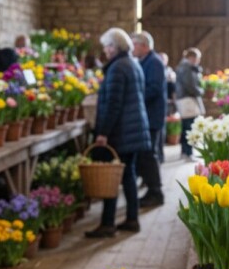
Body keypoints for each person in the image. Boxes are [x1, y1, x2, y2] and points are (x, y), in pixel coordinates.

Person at [85, 27, 152, 238]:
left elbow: (113, 104)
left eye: (106, 46)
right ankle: (132, 219)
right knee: (128, 175)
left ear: (114, 47)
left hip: (121, 131)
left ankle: (107, 223)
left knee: (111, 177)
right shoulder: (132, 63)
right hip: (133, 129)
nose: (104, 51)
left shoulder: (117, 68)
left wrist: (103, 133)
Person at [130, 31, 167, 208]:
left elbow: (153, 89)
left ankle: (156, 192)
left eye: (134, 45)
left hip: (152, 116)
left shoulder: (154, 63)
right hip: (148, 115)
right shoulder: (146, 61)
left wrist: (134, 97)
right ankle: (151, 189)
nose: (132, 48)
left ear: (144, 45)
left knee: (149, 154)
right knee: (145, 154)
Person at [175, 48, 204, 161]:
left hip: (186, 100)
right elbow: (190, 86)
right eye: (198, 58)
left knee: (187, 126)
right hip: (187, 100)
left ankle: (186, 152)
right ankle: (187, 152)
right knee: (189, 127)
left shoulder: (185, 67)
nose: (198, 61)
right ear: (192, 58)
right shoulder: (186, 68)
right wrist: (200, 91)